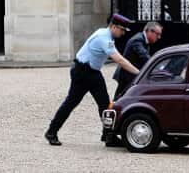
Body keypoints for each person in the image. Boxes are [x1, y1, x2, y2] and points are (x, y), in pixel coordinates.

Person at [44, 13, 141, 146]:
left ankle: (108, 136)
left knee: (105, 105)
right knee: (71, 103)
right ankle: (51, 132)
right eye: (122, 30)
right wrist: (139, 73)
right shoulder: (103, 38)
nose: (123, 33)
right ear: (113, 27)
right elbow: (119, 59)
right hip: (82, 72)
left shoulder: (104, 34)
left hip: (93, 72)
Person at [112, 21, 162, 99]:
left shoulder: (143, 39)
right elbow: (145, 56)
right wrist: (159, 67)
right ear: (149, 31)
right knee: (120, 98)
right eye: (157, 34)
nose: (159, 37)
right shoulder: (138, 40)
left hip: (132, 75)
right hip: (126, 76)